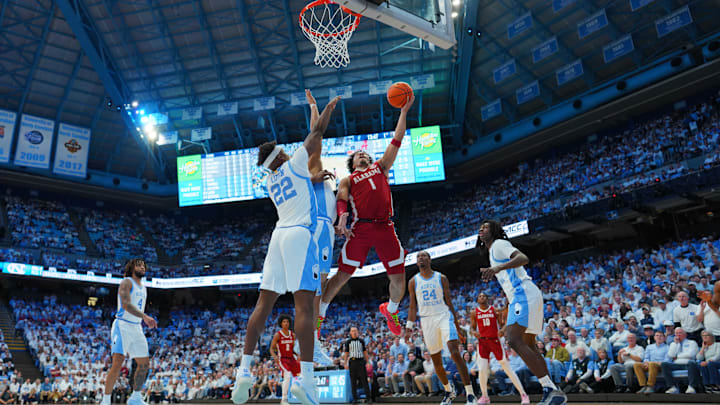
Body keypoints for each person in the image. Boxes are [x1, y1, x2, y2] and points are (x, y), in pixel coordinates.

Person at [231, 95, 340, 405]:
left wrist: (313, 177)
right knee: (304, 307)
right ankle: (306, 383)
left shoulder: (271, 182)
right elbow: (316, 135)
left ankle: (244, 371)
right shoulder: (293, 162)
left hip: (277, 237)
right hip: (298, 236)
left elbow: (301, 182)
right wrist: (325, 111)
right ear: (280, 154)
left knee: (262, 306)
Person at [318, 96, 416, 337]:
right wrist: (341, 220)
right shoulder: (348, 179)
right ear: (352, 163)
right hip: (360, 229)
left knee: (399, 278)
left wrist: (403, 111)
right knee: (341, 276)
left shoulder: (381, 167)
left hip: (385, 228)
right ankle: (319, 316)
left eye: (364, 153)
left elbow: (398, 138)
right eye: (357, 155)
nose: (361, 154)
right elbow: (341, 200)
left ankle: (391, 310)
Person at [477, 220, 566, 405]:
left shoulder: (499, 244)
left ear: (493, 230)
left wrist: (497, 268)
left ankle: (550, 389)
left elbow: (523, 258)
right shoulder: (493, 251)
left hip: (523, 293)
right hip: (523, 295)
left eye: (485, 227)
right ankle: (553, 391)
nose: (481, 229)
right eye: (480, 227)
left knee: (513, 339)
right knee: (529, 344)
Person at [404, 251, 477, 405]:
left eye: (424, 256)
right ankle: (449, 391)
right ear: (416, 262)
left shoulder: (441, 278)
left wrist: (457, 327)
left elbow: (449, 303)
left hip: (443, 316)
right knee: (436, 360)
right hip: (426, 320)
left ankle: (470, 393)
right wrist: (408, 328)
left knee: (455, 352)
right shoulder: (413, 281)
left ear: (430, 260)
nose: (421, 258)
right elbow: (412, 307)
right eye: (418, 257)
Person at [304, 90, 336, 367]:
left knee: (321, 286)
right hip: (316, 229)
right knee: (316, 288)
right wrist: (317, 108)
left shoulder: (316, 175)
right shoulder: (308, 170)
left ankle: (313, 339)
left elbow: (315, 135)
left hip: (327, 230)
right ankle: (311, 342)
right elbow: (316, 134)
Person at [101, 259, 157, 405]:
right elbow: (125, 304)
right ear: (132, 268)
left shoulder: (143, 287)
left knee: (144, 364)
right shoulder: (126, 282)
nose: (142, 267)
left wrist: (142, 318)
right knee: (117, 363)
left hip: (136, 327)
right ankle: (106, 400)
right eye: (139, 265)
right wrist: (145, 316)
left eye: (144, 266)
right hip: (123, 325)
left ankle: (135, 397)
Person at [470, 292, 529, 404]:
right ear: (477, 300)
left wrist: (502, 330)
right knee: (482, 370)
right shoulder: (474, 313)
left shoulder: (495, 310)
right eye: (479, 296)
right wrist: (474, 332)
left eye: (483, 296)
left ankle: (523, 394)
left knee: (507, 368)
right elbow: (472, 328)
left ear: (488, 299)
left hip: (495, 341)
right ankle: (485, 396)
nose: (481, 297)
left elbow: (504, 324)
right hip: (482, 342)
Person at [270, 314, 300, 405]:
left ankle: (300, 395)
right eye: (284, 322)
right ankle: (284, 399)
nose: (286, 323)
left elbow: (292, 349)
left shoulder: (293, 335)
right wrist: (275, 357)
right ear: (281, 323)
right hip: (282, 359)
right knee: (287, 375)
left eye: (287, 322)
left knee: (300, 375)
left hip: (292, 358)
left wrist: (297, 354)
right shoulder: (277, 335)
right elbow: (271, 348)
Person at [661, 327, 700, 393]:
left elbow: (691, 355)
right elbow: (671, 355)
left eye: (680, 333)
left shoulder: (692, 342)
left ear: (685, 334)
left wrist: (678, 356)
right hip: (676, 364)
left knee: (692, 363)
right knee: (664, 364)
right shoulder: (673, 344)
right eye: (676, 333)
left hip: (688, 364)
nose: (678, 335)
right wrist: (676, 344)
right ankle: (672, 387)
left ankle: (691, 387)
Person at [343, 326, 372, 403]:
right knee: (353, 381)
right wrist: (345, 363)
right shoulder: (348, 342)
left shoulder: (361, 341)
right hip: (352, 362)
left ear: (358, 332)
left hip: (361, 362)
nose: (354, 332)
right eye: (352, 331)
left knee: (364, 380)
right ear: (350, 333)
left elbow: (365, 352)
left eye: (355, 331)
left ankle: (369, 398)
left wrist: (368, 361)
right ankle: (355, 398)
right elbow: (346, 353)